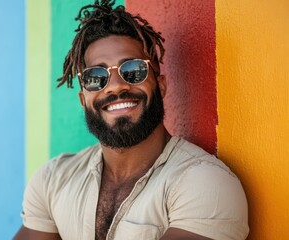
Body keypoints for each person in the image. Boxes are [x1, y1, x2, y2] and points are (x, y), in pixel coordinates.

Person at [14, 1, 249, 239]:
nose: (116, 86)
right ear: (83, 99)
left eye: (133, 70)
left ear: (161, 85)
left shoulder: (204, 183)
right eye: (96, 76)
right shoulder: (53, 180)